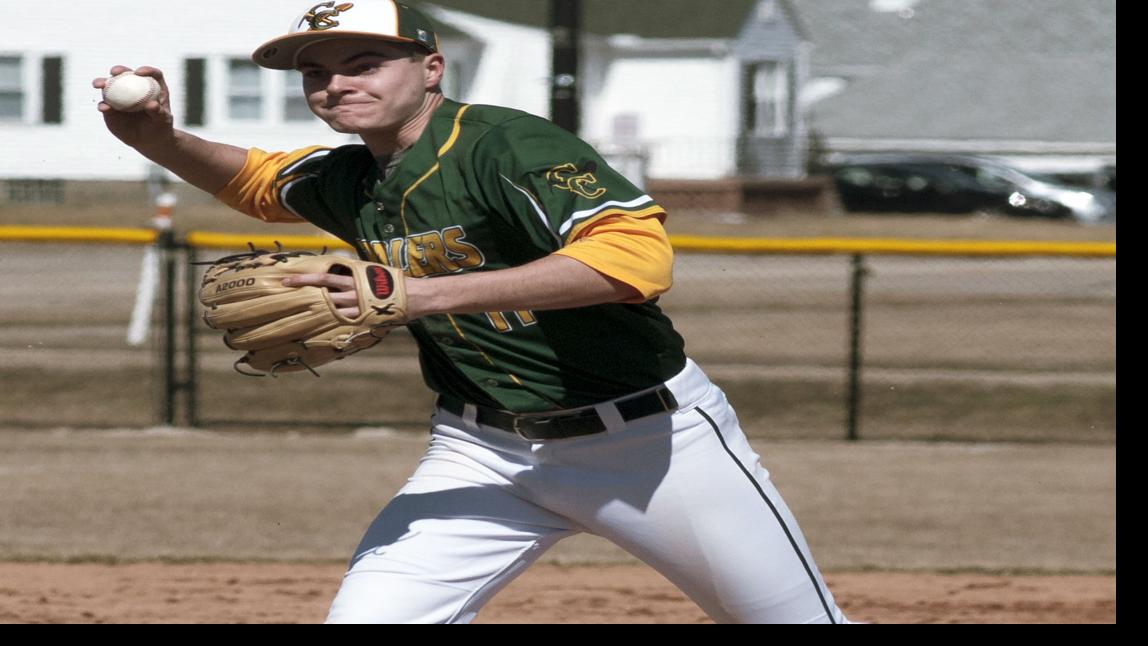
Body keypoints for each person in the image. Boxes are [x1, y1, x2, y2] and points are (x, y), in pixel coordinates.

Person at [95, 0, 849, 624]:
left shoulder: (505, 145)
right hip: (479, 450)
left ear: (431, 67)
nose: (334, 85)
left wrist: (414, 293)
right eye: (316, 72)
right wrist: (158, 138)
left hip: (650, 445)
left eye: (364, 63)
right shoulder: (355, 174)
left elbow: (635, 261)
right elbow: (260, 182)